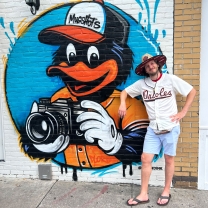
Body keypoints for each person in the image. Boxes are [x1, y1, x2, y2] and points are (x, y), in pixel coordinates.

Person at [118, 53, 196, 206]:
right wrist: (122, 103)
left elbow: (191, 91)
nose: (151, 66)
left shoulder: (170, 79)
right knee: (145, 159)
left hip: (171, 127)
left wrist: (183, 112)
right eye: (147, 66)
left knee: (169, 159)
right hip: (153, 129)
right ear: (145, 70)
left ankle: (166, 190)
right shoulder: (142, 84)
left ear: (157, 64)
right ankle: (143, 194)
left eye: (152, 64)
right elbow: (124, 92)